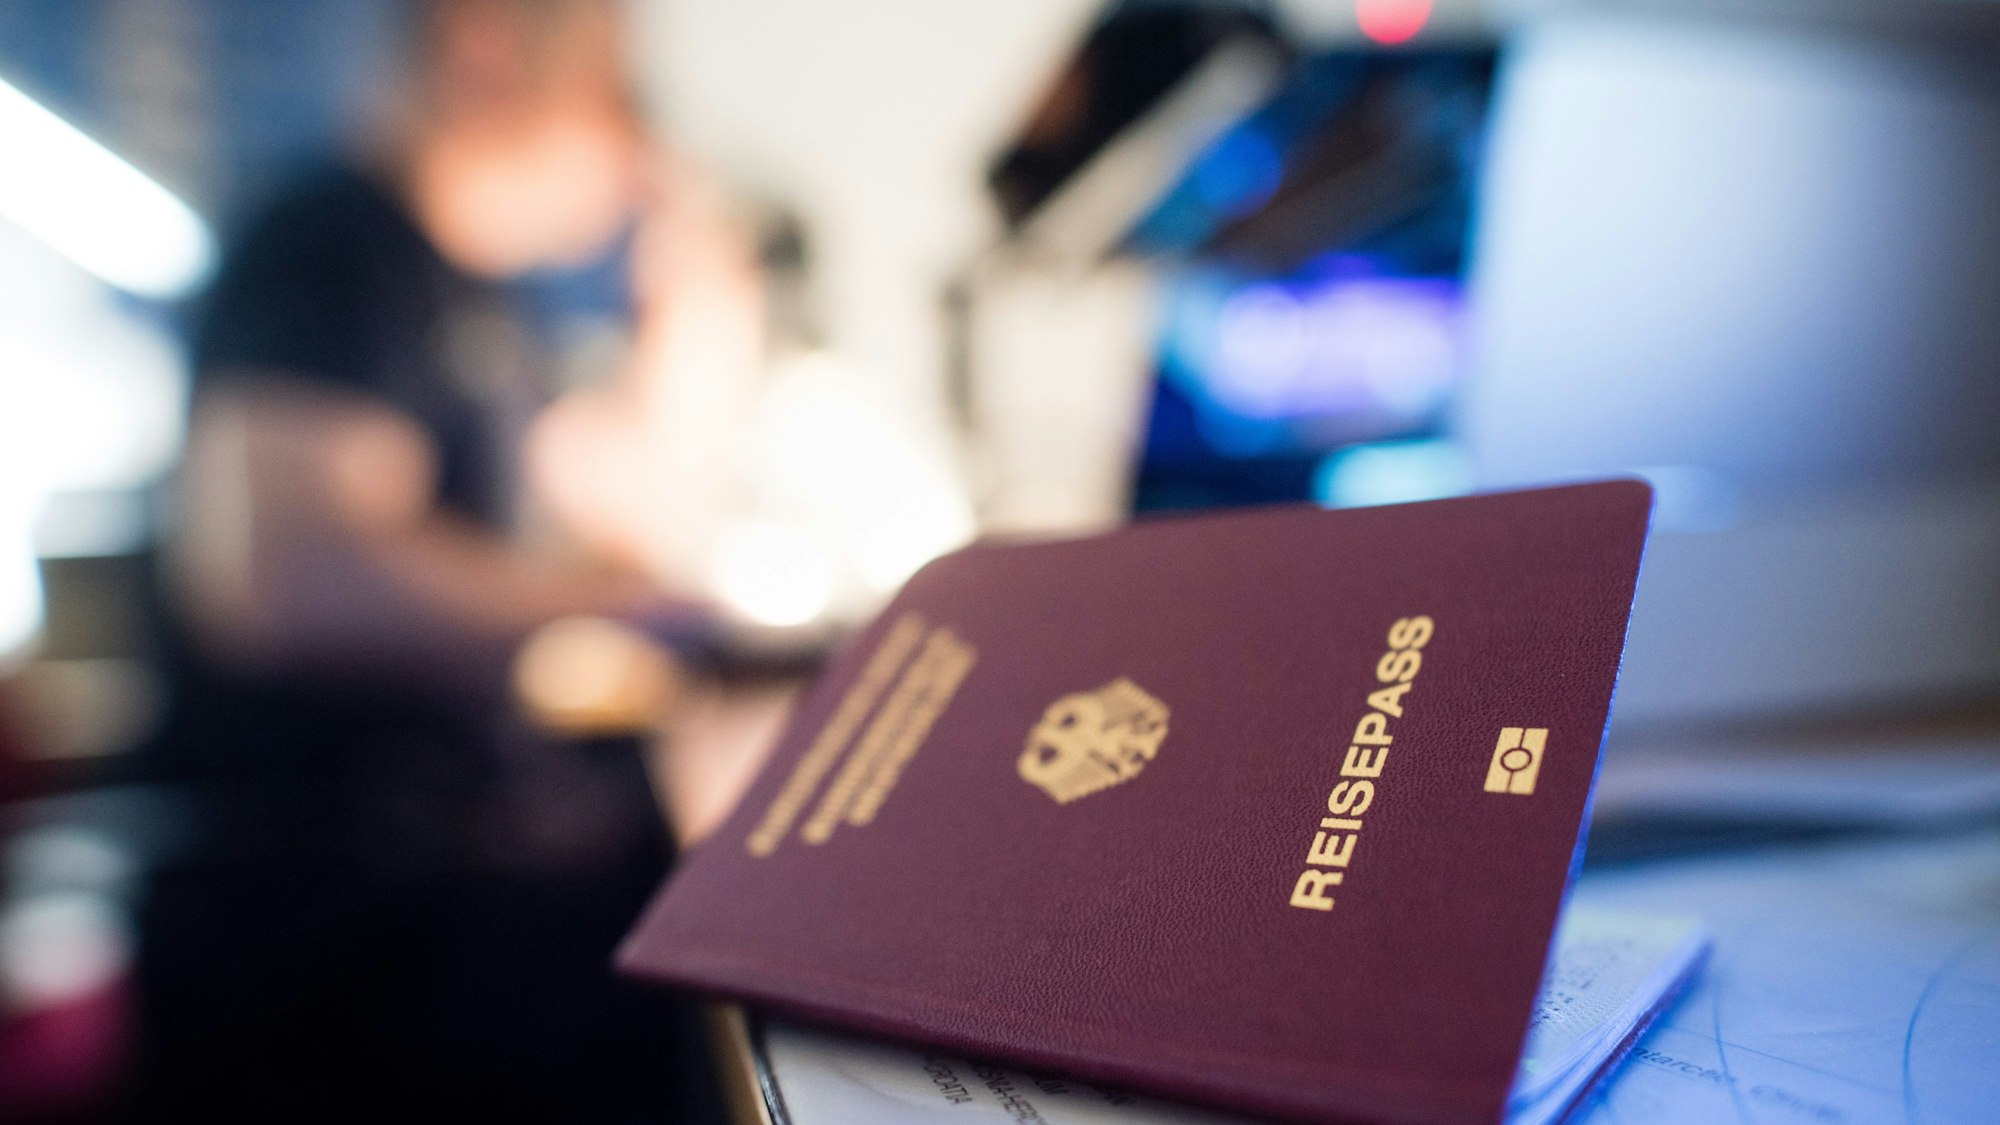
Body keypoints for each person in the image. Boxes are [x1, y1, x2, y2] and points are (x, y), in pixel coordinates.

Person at [136, 0, 749, 1119]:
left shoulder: (472, 304)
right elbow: (282, 582)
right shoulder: (330, 248)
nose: (626, 142)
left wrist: (697, 306)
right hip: (329, 923)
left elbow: (646, 504)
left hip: (428, 886)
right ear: (485, 40)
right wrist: (625, 612)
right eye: (610, 90)